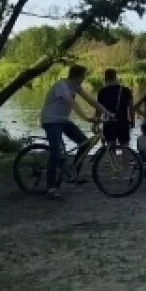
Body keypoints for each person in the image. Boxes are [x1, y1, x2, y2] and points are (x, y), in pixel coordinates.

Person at [39, 65, 109, 201]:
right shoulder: (62, 86)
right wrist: (86, 117)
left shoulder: (76, 86)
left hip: (63, 120)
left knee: (85, 143)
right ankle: (51, 189)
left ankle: (72, 174)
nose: (84, 78)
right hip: (51, 121)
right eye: (83, 76)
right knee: (56, 153)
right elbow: (72, 103)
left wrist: (107, 112)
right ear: (77, 77)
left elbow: (90, 100)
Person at [97, 69, 135, 146]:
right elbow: (131, 108)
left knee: (110, 146)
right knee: (125, 146)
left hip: (109, 122)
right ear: (115, 77)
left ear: (105, 78)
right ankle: (124, 154)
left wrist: (96, 124)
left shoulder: (102, 92)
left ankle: (112, 154)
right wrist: (132, 121)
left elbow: (98, 109)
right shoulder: (126, 90)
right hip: (123, 122)